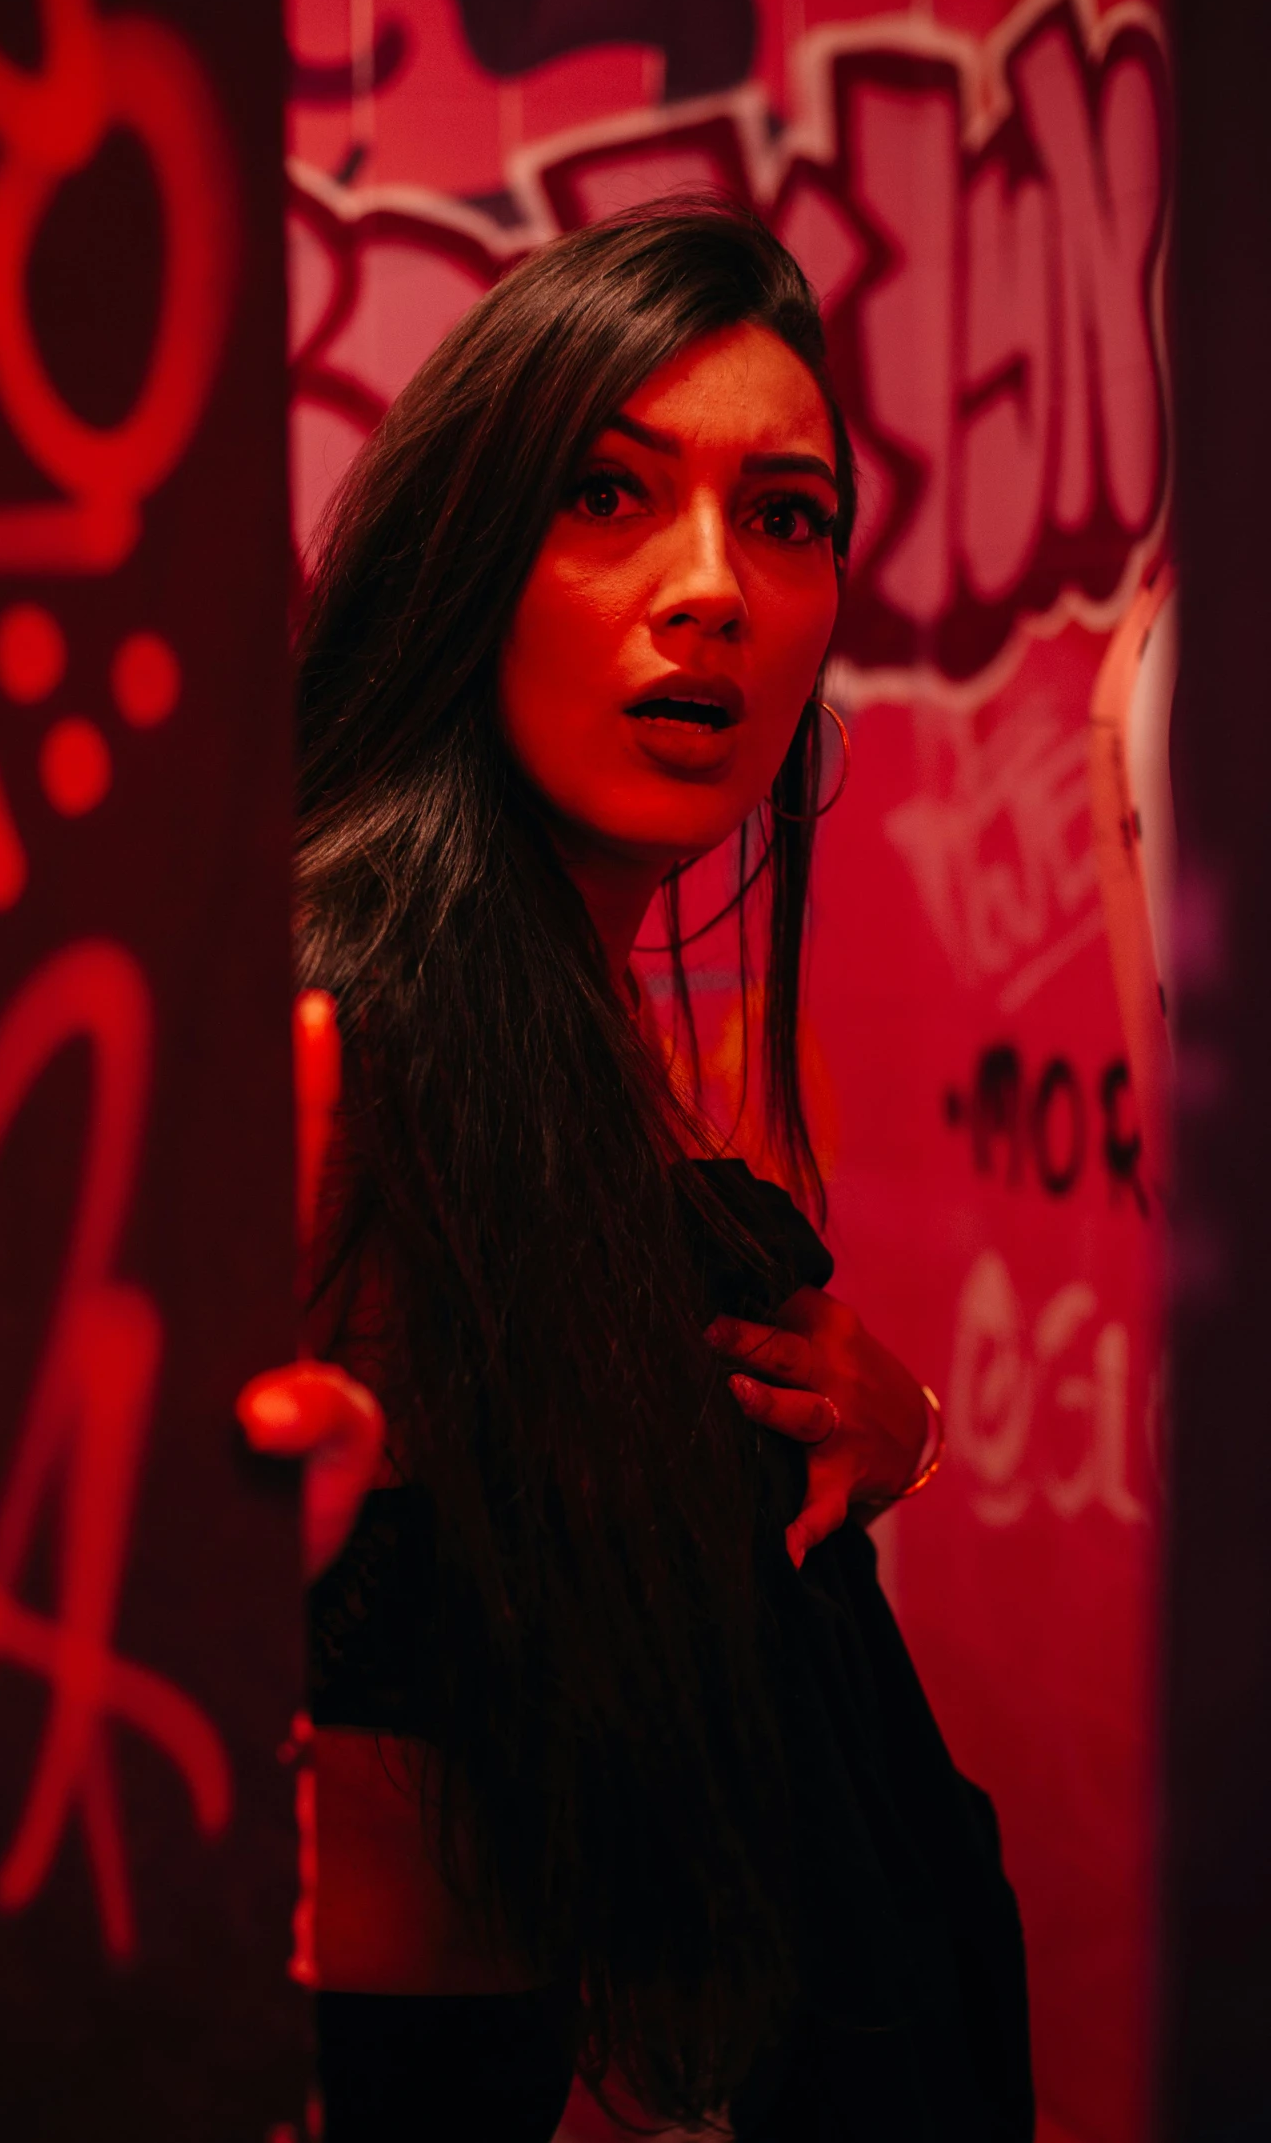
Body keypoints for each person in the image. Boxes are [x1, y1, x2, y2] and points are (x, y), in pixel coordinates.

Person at [242, 201, 1034, 2142]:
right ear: (465, 549)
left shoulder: (541, 1004)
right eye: (610, 495)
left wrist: (896, 1424)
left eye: (786, 517)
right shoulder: (360, 1010)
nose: (714, 592)